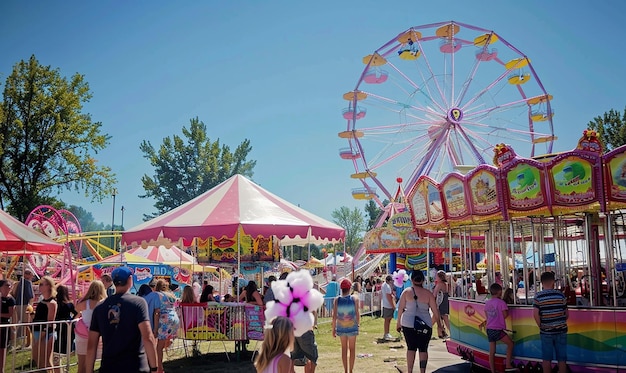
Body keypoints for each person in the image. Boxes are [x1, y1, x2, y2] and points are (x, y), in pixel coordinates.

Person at [86, 266, 157, 373]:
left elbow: (91, 345)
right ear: (130, 280)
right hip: (136, 365)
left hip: (109, 366)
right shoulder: (138, 303)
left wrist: (89, 370)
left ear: (114, 282)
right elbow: (148, 337)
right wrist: (154, 368)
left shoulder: (100, 308)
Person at [396, 270, 440, 373]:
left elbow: (401, 309)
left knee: (411, 348)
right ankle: (422, 371)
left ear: (411, 280)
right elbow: (435, 311)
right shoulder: (428, 294)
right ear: (423, 280)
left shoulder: (406, 292)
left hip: (408, 323)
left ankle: (410, 370)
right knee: (423, 349)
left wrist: (398, 322)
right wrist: (439, 326)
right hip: (425, 324)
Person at [533, 271, 568, 373]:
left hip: (546, 332)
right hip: (561, 330)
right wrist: (559, 322)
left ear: (542, 283)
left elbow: (535, 315)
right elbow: (566, 314)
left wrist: (541, 326)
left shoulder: (538, 297)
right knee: (562, 358)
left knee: (547, 358)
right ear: (553, 281)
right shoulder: (561, 295)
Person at [74, 280, 106, 373]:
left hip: (82, 335)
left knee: (82, 364)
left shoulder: (84, 303)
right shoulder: (104, 304)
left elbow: (76, 310)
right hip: (97, 336)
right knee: (97, 363)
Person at [482, 283, 514, 373]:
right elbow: (505, 315)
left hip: (489, 329)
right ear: (500, 292)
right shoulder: (501, 303)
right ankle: (508, 364)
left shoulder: (487, 303)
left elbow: (487, 316)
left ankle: (492, 370)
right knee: (510, 344)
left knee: (492, 351)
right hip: (497, 329)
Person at [332, 279, 359, 373]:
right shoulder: (354, 298)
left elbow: (334, 315)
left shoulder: (337, 300)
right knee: (352, 349)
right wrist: (358, 324)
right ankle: (351, 370)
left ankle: (345, 370)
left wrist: (333, 328)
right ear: (349, 288)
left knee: (344, 349)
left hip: (341, 327)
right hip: (352, 326)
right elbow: (357, 313)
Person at [153, 279, 180, 373]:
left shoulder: (157, 295)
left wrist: (155, 329)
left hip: (165, 319)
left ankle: (159, 368)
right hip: (174, 318)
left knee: (158, 347)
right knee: (165, 340)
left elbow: (157, 312)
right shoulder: (171, 295)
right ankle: (169, 341)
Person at [32, 276, 58, 371]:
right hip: (37, 331)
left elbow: (50, 322)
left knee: (46, 361)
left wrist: (41, 337)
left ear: (48, 286)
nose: (40, 286)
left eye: (42, 284)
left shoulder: (52, 303)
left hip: (45, 334)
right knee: (39, 361)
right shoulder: (42, 301)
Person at [53, 284, 77, 371]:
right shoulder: (69, 304)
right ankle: (65, 366)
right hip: (67, 327)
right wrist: (72, 321)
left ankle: (58, 366)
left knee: (56, 348)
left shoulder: (55, 303)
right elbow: (77, 312)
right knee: (65, 347)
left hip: (58, 326)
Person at [14, 268, 34, 347]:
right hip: (25, 304)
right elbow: (30, 295)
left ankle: (19, 340)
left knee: (20, 323)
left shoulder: (19, 283)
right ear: (27, 275)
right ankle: (27, 342)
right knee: (26, 324)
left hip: (18, 304)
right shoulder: (27, 283)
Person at [0, 280, 15, 373]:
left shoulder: (10, 300)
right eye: (7, 285)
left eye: (10, 286)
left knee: (2, 348)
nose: (9, 287)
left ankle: (1, 369)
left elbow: (10, 314)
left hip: (4, 325)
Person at [432, 270, 450, 339]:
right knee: (440, 317)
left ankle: (428, 331)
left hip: (440, 302)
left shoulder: (440, 284)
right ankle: (441, 332)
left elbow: (434, 294)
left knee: (441, 317)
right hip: (444, 301)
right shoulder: (445, 284)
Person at [381, 275, 396, 341]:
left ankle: (387, 333)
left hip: (386, 304)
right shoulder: (387, 287)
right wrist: (394, 307)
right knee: (387, 320)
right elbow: (389, 297)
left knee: (388, 320)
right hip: (388, 305)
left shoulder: (384, 285)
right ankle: (386, 333)